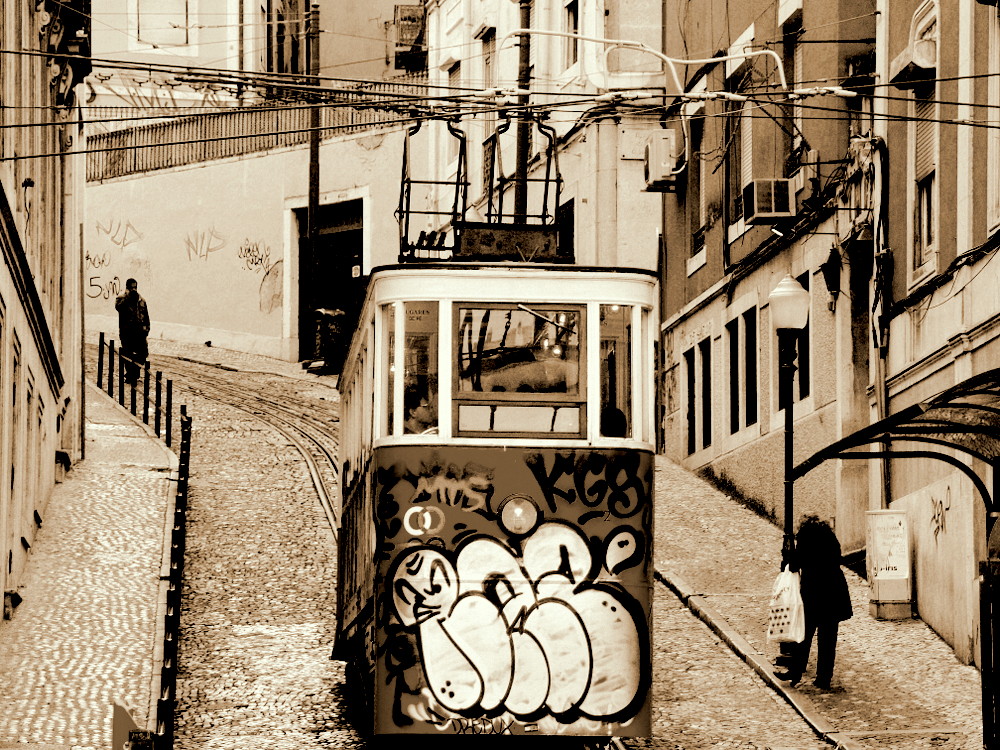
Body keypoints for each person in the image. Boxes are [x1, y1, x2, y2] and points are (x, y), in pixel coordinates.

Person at [774, 515, 853, 689]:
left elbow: (795, 564)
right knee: (828, 638)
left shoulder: (805, 536)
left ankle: (795, 673)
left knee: (804, 635)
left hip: (814, 592)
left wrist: (788, 554)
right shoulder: (830, 537)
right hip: (834, 591)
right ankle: (824, 679)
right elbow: (838, 558)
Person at [115, 278, 150, 386]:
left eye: (135, 287)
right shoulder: (121, 299)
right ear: (127, 288)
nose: (134, 289)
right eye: (131, 288)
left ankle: (134, 372)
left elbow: (147, 317)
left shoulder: (141, 300)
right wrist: (127, 297)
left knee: (143, 353)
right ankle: (131, 375)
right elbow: (118, 308)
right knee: (127, 354)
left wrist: (146, 330)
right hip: (127, 332)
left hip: (139, 333)